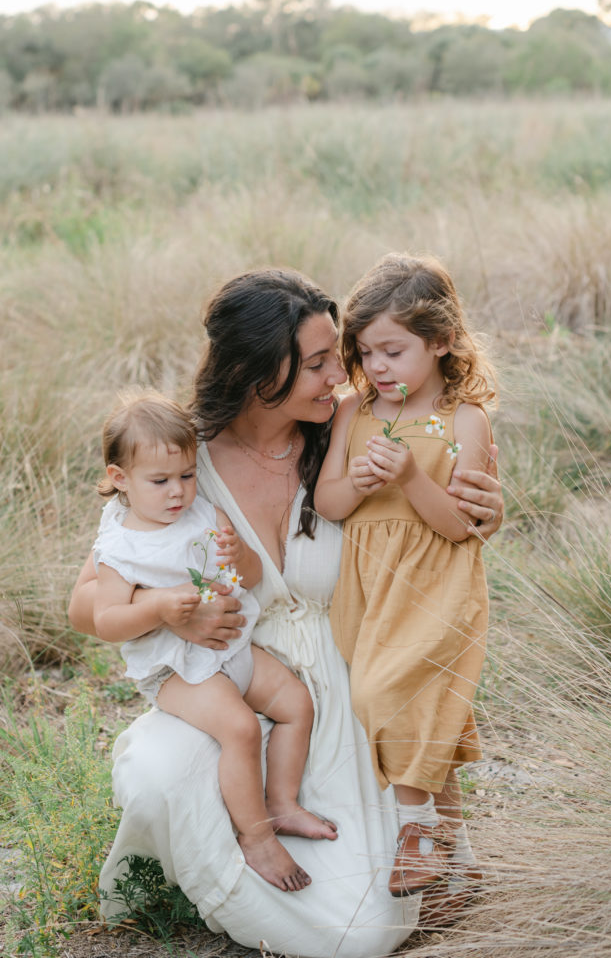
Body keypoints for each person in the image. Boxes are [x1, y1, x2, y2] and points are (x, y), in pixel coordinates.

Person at [68, 267, 504, 958]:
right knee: (159, 778)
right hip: (236, 674)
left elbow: (441, 502)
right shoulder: (182, 464)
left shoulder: (356, 428)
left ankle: (404, 841)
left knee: (366, 929)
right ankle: (232, 842)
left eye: (343, 353)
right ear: (255, 371)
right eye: (319, 362)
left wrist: (483, 509)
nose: (345, 374)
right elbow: (87, 605)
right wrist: (165, 610)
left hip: (350, 672)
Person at [92, 388, 336, 894]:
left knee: (296, 702)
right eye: (159, 481)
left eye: (186, 475)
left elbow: (247, 577)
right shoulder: (121, 545)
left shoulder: (203, 513)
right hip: (176, 669)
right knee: (240, 729)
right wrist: (157, 607)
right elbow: (106, 619)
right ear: (120, 480)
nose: (177, 491)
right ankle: (257, 838)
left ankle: (283, 802)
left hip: (233, 650)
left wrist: (239, 552)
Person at [315, 253, 495, 900]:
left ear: (441, 341)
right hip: (367, 584)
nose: (378, 368)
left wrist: (411, 477)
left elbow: (458, 525)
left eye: (393, 350)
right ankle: (461, 862)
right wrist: (358, 484)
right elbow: (328, 503)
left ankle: (417, 833)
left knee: (383, 694)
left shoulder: (464, 421)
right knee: (417, 707)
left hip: (434, 580)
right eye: (365, 354)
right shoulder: (351, 412)